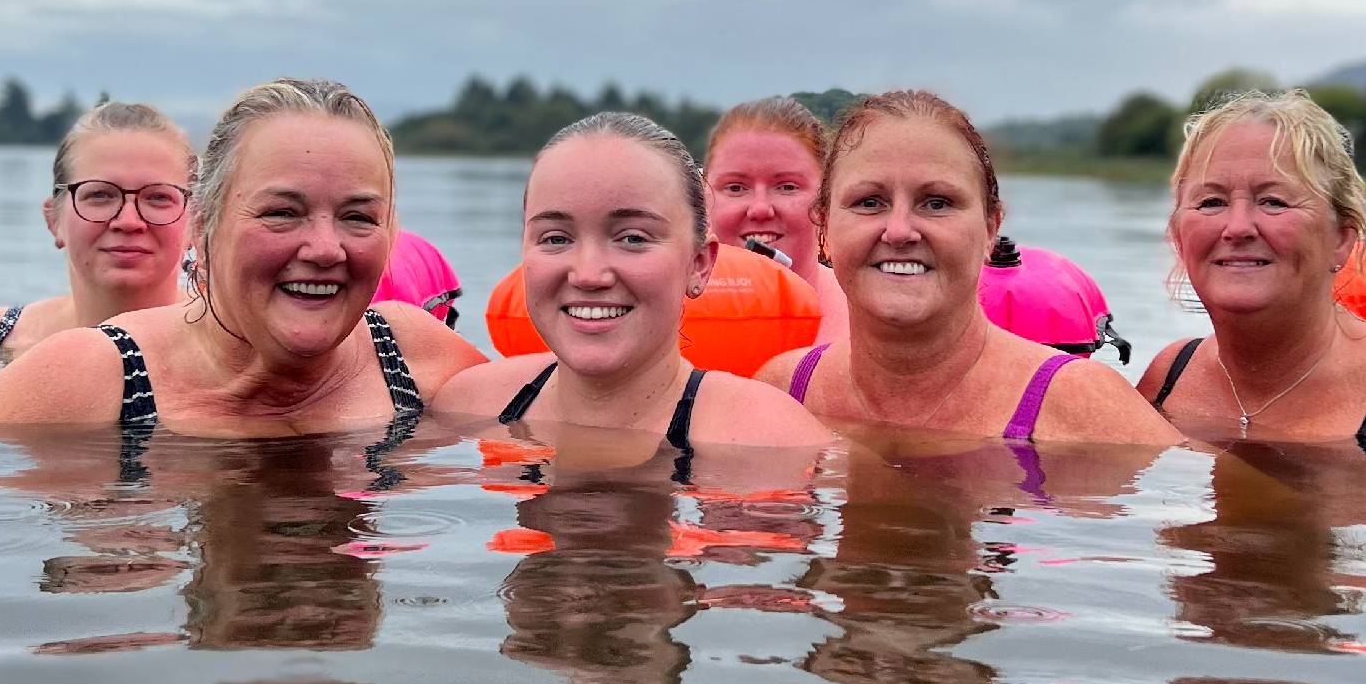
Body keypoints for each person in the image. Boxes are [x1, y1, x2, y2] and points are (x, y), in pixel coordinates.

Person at [0, 78, 485, 434]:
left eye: (359, 217)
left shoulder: (416, 358)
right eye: (281, 211)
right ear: (201, 225)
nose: (325, 249)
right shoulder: (92, 375)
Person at [756, 90, 1179, 445]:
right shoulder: (781, 392)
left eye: (937, 203)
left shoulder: (1086, 408)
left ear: (991, 229)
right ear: (824, 227)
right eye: (870, 202)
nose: (900, 231)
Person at [431, 112, 830, 450]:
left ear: (699, 265)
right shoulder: (466, 407)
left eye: (633, 238)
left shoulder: (771, 442)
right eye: (556, 238)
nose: (588, 274)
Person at [1137, 90, 1366, 442]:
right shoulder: (1170, 376)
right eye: (1211, 203)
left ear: (1342, 239)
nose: (1237, 228)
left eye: (1274, 201)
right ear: (1180, 237)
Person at [0, 102, 195, 359]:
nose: (129, 221)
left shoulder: (236, 347)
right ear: (54, 220)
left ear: (198, 223)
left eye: (158, 197)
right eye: (100, 195)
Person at [702, 96, 848, 341]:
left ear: (825, 199)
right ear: (704, 201)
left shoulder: (869, 318)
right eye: (736, 187)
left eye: (787, 187)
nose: (760, 209)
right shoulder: (664, 322)